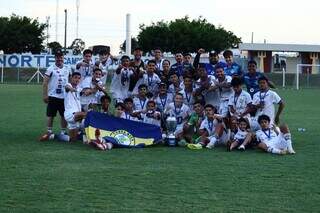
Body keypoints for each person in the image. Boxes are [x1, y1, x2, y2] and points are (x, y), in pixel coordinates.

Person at [40, 50, 71, 141]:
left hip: (64, 96)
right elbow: (45, 82)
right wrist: (45, 95)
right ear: (55, 58)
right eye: (58, 57)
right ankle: (49, 131)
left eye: (61, 57)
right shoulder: (50, 68)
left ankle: (63, 131)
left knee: (64, 115)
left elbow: (70, 81)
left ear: (63, 58)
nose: (59, 59)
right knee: (51, 115)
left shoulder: (67, 68)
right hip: (53, 96)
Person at [64, 72, 87, 142]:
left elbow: (86, 91)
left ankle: (54, 136)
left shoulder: (79, 88)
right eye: (75, 77)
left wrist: (95, 88)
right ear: (71, 78)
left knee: (72, 140)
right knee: (87, 114)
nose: (77, 79)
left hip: (76, 115)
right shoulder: (68, 85)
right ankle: (86, 137)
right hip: (70, 114)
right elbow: (67, 87)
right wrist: (71, 89)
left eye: (79, 78)